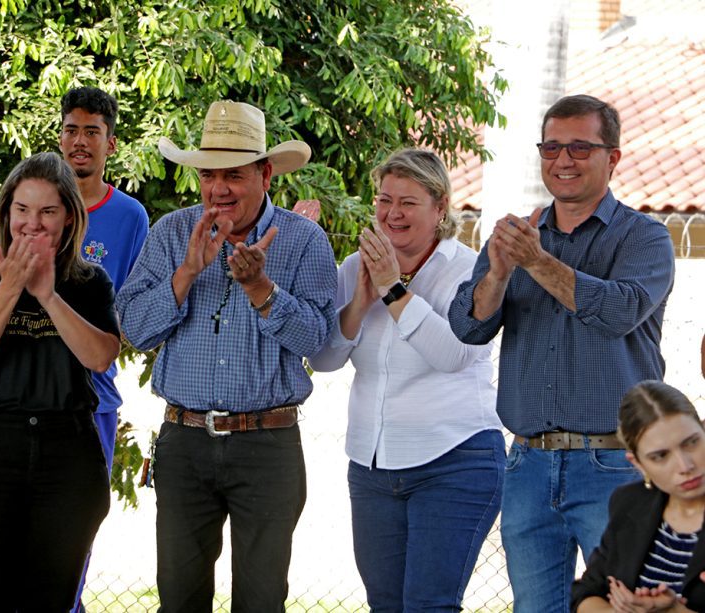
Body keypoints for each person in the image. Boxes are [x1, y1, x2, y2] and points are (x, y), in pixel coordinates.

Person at [448, 94, 676, 611]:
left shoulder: (645, 238)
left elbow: (618, 312)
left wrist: (537, 262)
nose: (563, 160)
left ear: (612, 158)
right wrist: (499, 273)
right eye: (551, 148)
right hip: (528, 462)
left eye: (579, 147)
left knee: (624, 605)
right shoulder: (515, 237)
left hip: (615, 464)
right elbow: (467, 327)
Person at [116, 100, 337, 612]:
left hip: (268, 444)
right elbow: (134, 330)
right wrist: (186, 273)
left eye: (233, 174)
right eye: (208, 175)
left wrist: (261, 289)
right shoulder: (172, 233)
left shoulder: (304, 240)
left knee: (261, 601)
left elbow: (318, 340)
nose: (218, 188)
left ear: (265, 174)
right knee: (179, 599)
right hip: (184, 440)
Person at [309, 149, 505, 611]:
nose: (392, 213)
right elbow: (324, 360)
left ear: (440, 208)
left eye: (408, 202)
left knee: (428, 604)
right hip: (372, 465)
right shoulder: (355, 267)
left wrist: (393, 289)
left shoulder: (469, 270)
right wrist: (360, 302)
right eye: (384, 200)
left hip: (455, 460)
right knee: (385, 604)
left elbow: (454, 354)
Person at [0, 152, 120, 611]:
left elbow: (101, 357)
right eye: (22, 209)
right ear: (6, 213)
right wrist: (11, 286)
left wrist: (48, 296)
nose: (32, 224)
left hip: (68, 453)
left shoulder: (90, 282)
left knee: (52, 602)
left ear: (68, 218)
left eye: (47, 211)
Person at [58, 85, 149, 472]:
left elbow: (133, 305)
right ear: (60, 139)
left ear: (110, 144)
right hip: (23, 391)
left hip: (94, 392)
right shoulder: (28, 206)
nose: (80, 141)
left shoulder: (131, 216)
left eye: (91, 132)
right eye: (71, 130)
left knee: (85, 507)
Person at [572, 381, 705, 612]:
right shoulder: (630, 502)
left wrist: (673, 611)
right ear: (638, 464)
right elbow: (585, 592)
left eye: (691, 443)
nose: (685, 466)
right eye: (660, 456)